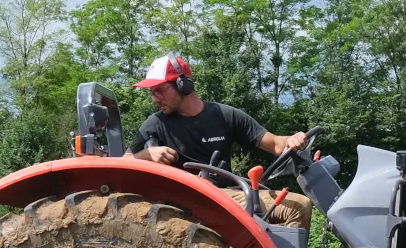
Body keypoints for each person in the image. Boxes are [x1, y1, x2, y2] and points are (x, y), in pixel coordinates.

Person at [124, 54, 313, 230]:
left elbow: (275, 144)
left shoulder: (225, 115)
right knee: (298, 207)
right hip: (187, 201)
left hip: (224, 195)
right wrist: (146, 155)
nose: (155, 99)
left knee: (298, 206)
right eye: (152, 92)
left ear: (183, 85)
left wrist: (292, 139)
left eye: (159, 91)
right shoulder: (155, 124)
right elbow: (122, 162)